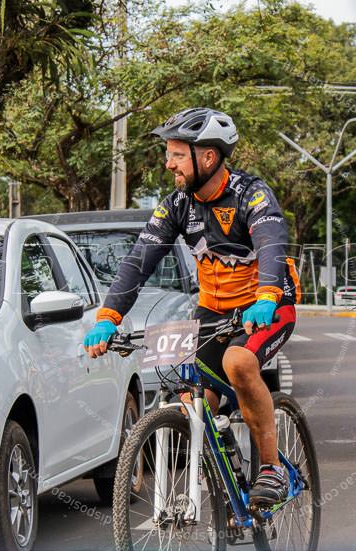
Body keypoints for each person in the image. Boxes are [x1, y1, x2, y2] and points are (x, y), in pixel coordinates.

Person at [82, 108, 301, 507]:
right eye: (169, 154)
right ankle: (225, 482)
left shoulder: (251, 193)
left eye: (177, 155)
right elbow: (138, 260)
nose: (169, 164)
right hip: (214, 310)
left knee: (238, 362)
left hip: (267, 306)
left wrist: (267, 297)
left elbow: (271, 244)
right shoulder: (177, 204)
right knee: (189, 402)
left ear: (208, 157)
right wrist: (107, 318)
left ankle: (270, 469)